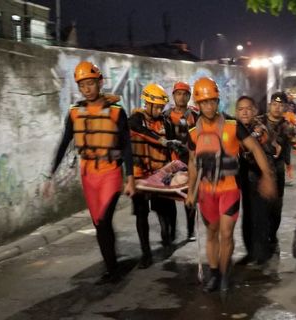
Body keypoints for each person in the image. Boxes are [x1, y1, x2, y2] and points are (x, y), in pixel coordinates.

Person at [44, 61, 135, 284]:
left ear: (100, 82)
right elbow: (65, 142)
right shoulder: (75, 113)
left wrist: (130, 177)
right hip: (88, 175)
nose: (87, 88)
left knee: (103, 221)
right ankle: (112, 265)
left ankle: (113, 271)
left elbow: (126, 146)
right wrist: (50, 175)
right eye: (82, 85)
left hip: (111, 173)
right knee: (99, 224)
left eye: (91, 83)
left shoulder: (116, 111)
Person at [185, 77, 276, 294]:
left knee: (226, 233)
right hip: (207, 192)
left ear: (217, 101)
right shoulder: (192, 132)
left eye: (212, 101)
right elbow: (192, 162)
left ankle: (225, 274)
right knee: (212, 233)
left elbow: (255, 148)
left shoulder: (233, 126)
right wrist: (191, 191)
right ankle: (214, 274)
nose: (209, 106)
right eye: (204, 102)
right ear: (198, 104)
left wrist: (267, 176)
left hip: (229, 189)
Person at [128, 83, 179, 269]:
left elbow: (172, 148)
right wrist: (163, 141)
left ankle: (168, 236)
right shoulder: (135, 119)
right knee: (141, 215)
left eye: (161, 107)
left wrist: (176, 171)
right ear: (146, 103)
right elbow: (141, 132)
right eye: (155, 106)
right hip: (140, 172)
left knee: (164, 209)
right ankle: (146, 253)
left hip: (160, 173)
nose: (159, 110)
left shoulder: (165, 122)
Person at [258, 91, 296, 253]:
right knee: (260, 207)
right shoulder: (259, 122)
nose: (277, 108)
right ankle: (260, 238)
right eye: (274, 104)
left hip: (278, 171)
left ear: (285, 107)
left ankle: (272, 235)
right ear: (270, 105)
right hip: (260, 171)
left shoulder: (287, 127)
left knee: (276, 207)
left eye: (281, 105)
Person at [235, 96, 279, 265]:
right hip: (247, 179)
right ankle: (251, 253)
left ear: (254, 111)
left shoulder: (258, 129)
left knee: (259, 218)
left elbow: (247, 149)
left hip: (260, 179)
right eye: (240, 109)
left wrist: (268, 179)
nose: (244, 112)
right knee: (248, 217)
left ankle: (261, 256)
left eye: (248, 108)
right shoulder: (239, 128)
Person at [164, 81, 199, 241]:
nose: (182, 97)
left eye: (185, 94)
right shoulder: (166, 116)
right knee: (168, 198)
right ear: (173, 96)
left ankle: (190, 230)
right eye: (178, 93)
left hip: (189, 161)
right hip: (171, 162)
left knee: (188, 196)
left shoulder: (195, 116)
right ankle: (170, 231)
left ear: (189, 96)